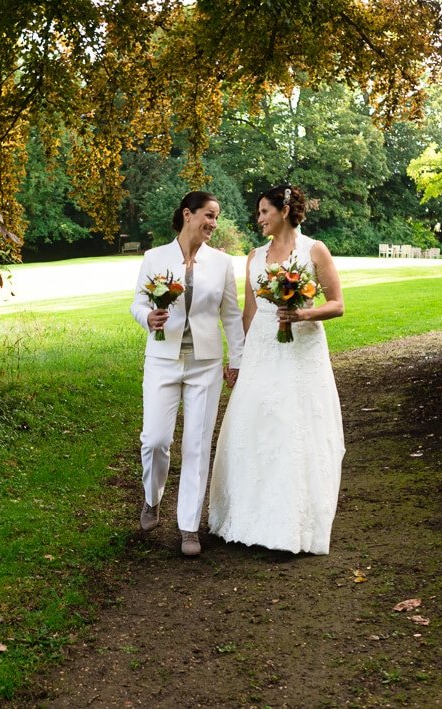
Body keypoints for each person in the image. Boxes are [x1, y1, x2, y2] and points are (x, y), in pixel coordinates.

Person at [207, 184, 345, 554]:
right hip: (263, 349)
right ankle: (248, 517)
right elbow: (249, 313)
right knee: (256, 425)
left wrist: (303, 314)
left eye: (264, 212)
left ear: (283, 211)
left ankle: (292, 526)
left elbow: (337, 304)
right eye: (258, 214)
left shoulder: (314, 250)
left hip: (303, 349)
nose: (259, 219)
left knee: (294, 428)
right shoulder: (254, 257)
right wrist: (239, 358)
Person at [130, 191, 245, 556]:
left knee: (196, 444)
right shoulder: (154, 257)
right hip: (162, 358)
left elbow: (230, 314)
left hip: (205, 363)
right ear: (187, 214)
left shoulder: (222, 263)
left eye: (216, 217)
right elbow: (138, 302)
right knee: (155, 440)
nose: (213, 223)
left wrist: (237, 359)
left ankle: (189, 527)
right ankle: (152, 499)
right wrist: (147, 317)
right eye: (208, 215)